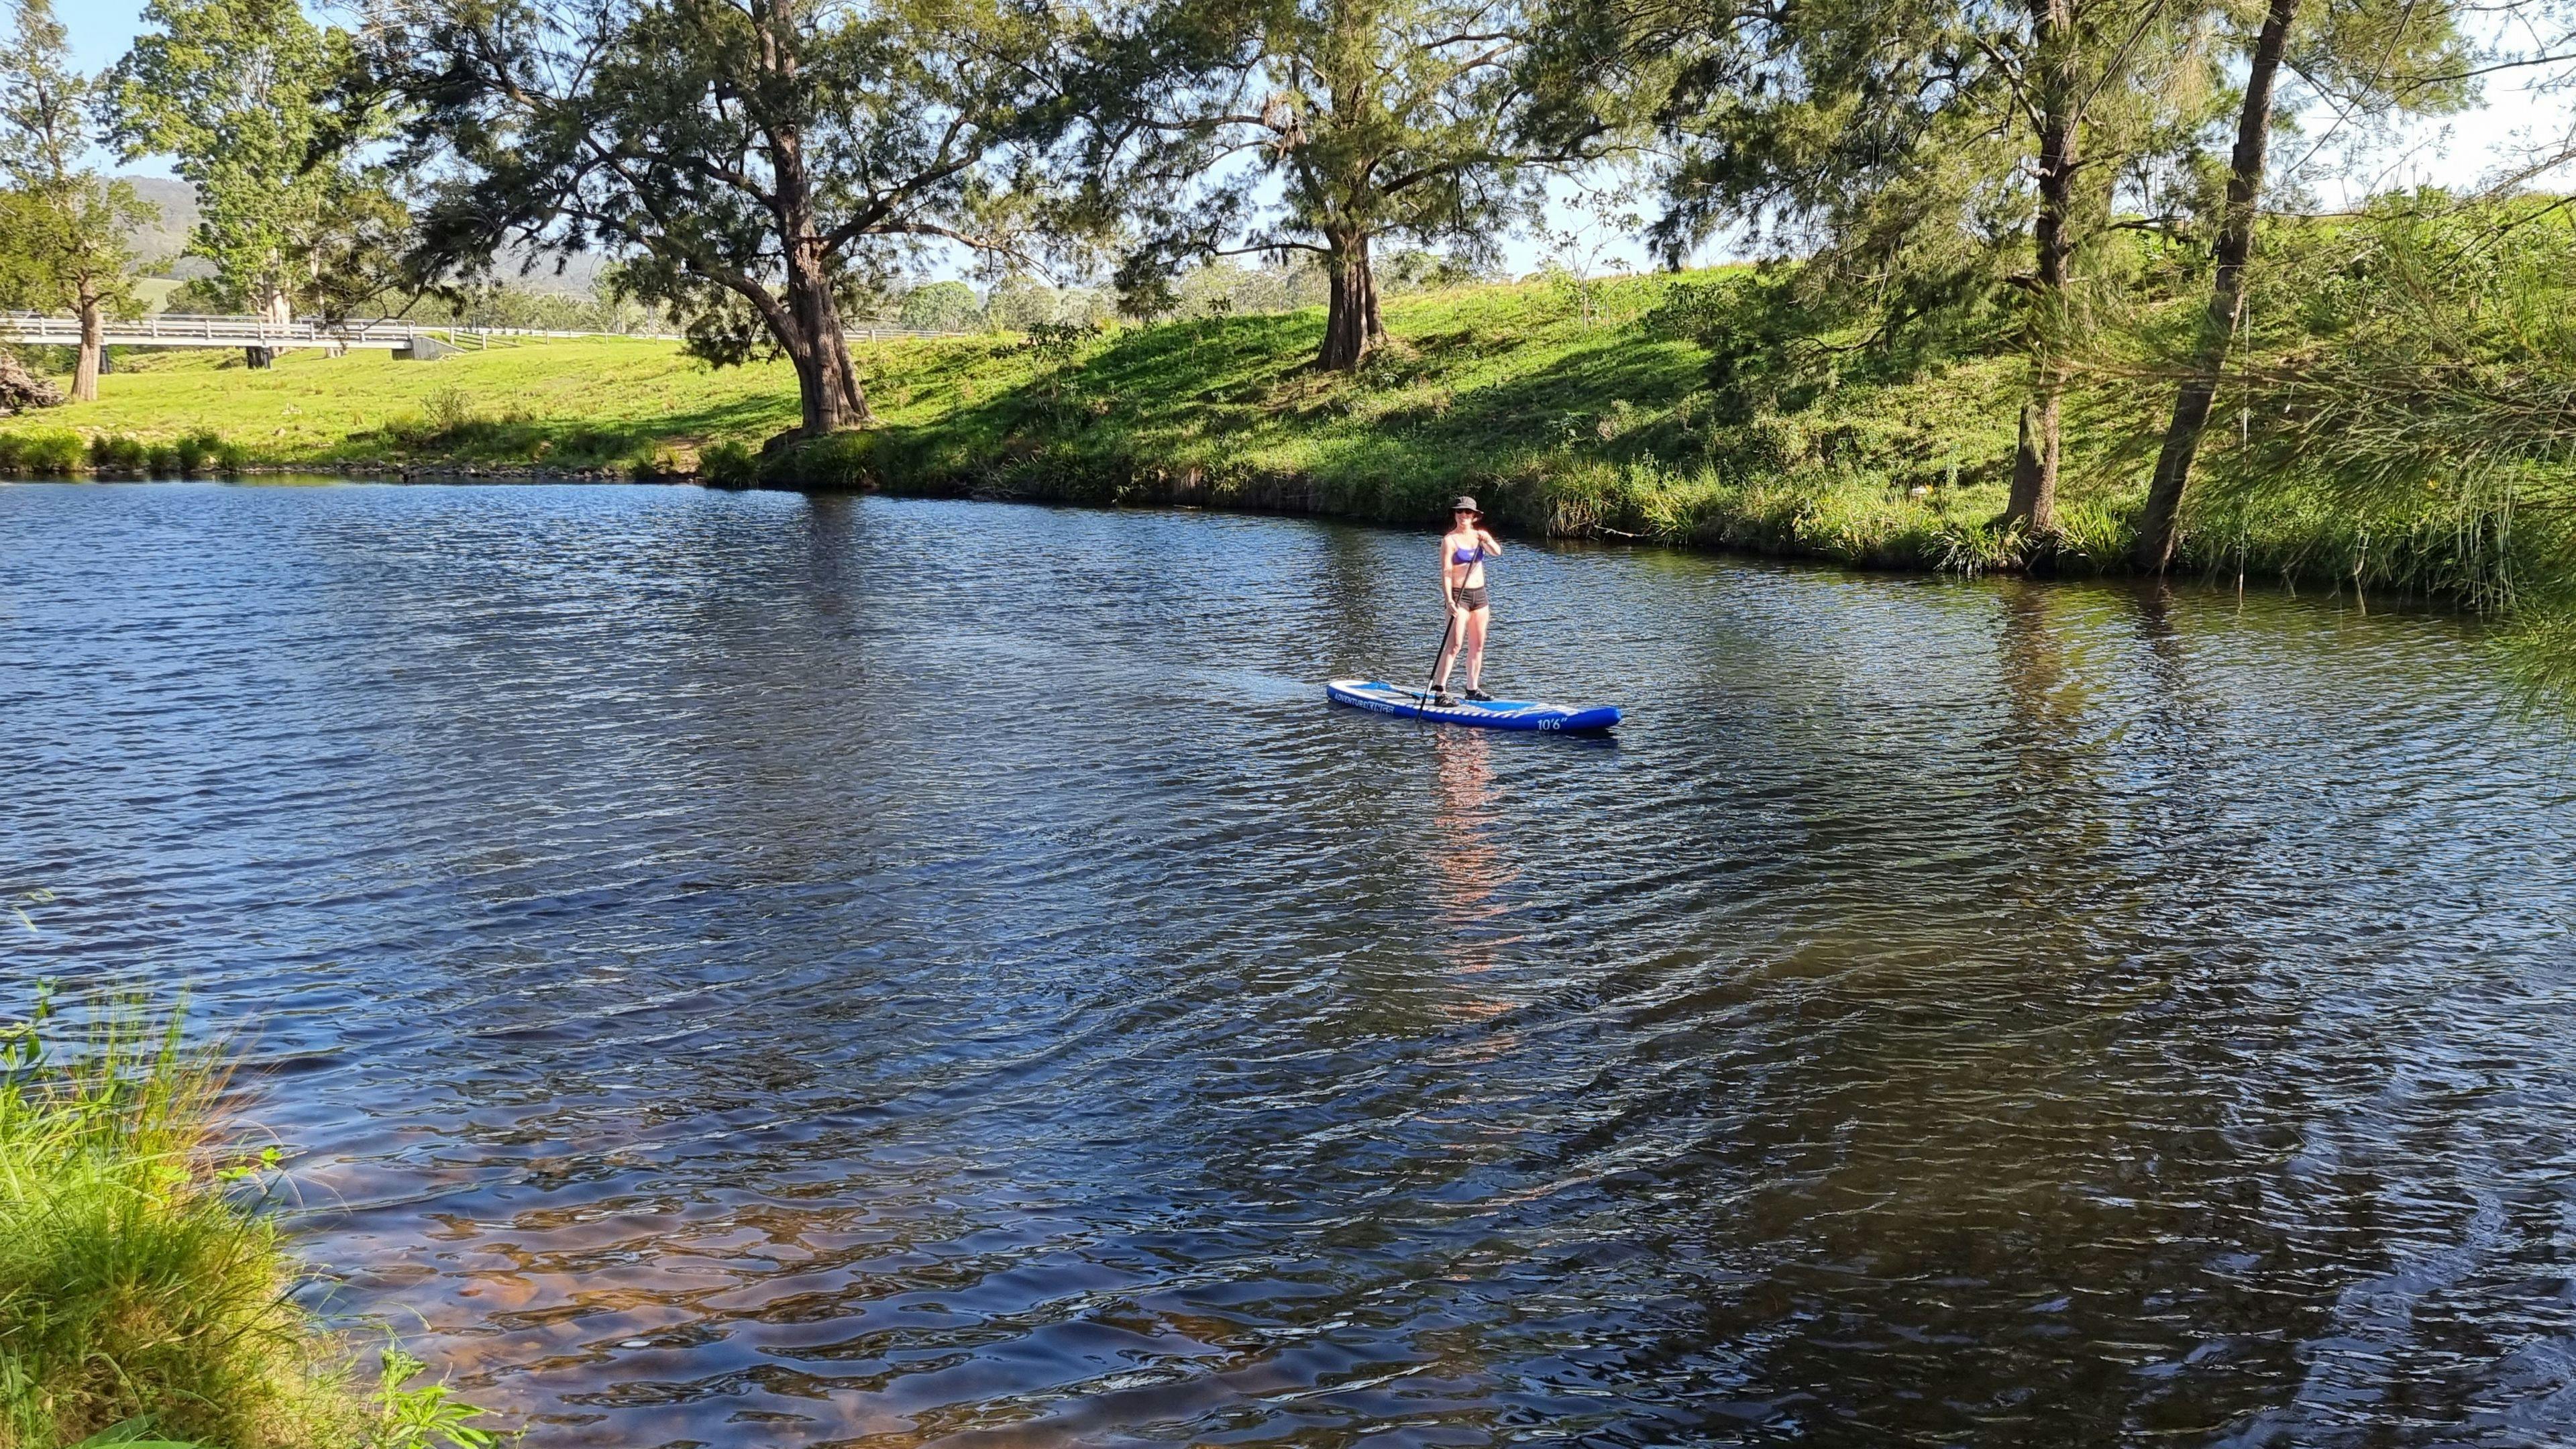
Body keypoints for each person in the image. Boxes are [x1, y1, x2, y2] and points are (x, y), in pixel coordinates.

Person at [1431, 495, 1503, 704]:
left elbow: (1497, 553)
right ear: (1455, 514)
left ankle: (1472, 688)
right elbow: (1446, 573)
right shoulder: (1449, 541)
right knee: (1454, 645)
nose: (1463, 515)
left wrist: (1487, 538)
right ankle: (1440, 691)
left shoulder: (1480, 537)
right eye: (1459, 512)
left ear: (1474, 517)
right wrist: (1449, 600)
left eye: (1468, 512)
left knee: (1478, 645)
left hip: (1480, 596)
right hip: (1458, 596)